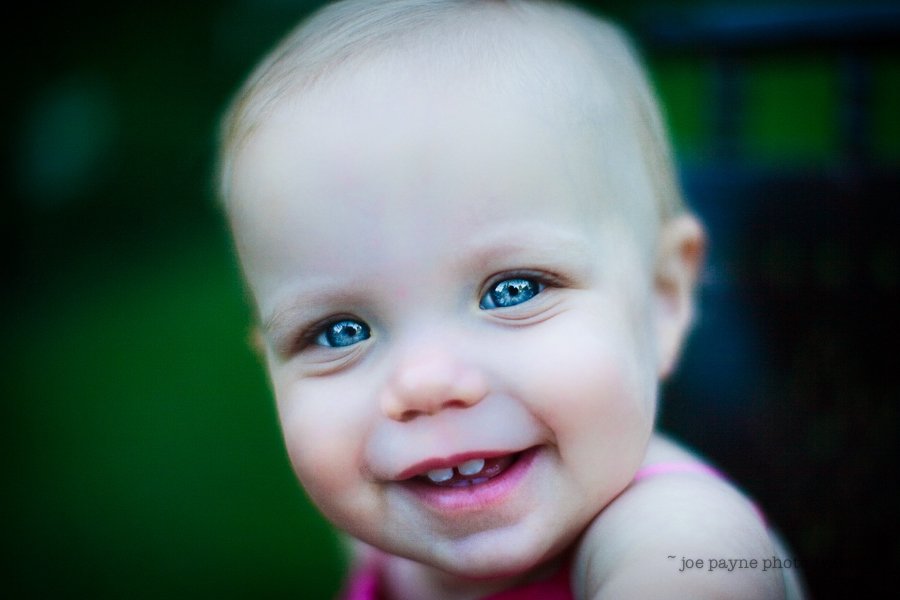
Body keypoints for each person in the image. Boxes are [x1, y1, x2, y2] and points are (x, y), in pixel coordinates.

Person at [216, 1, 805, 597]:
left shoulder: (681, 534)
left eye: (511, 292)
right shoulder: (388, 534)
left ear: (662, 299)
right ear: (272, 367)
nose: (424, 383)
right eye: (340, 332)